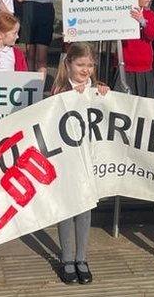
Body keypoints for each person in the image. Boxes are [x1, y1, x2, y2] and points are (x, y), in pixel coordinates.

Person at [50, 43, 109, 284]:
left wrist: (105, 93)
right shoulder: (58, 90)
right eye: (80, 65)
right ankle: (66, 258)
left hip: (89, 159)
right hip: (65, 160)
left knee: (85, 209)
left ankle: (81, 257)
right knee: (67, 210)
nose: (86, 70)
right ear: (69, 64)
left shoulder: (98, 90)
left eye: (90, 65)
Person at [119, 0, 154, 98]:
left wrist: (143, 22)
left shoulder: (150, 15)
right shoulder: (123, 13)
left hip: (144, 67)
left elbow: (152, 35)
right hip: (124, 67)